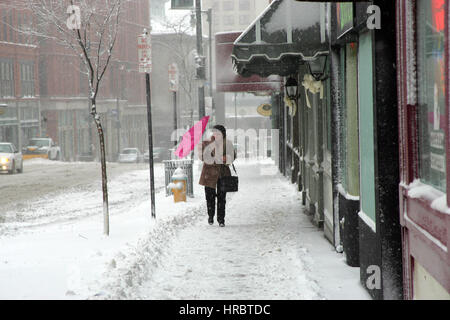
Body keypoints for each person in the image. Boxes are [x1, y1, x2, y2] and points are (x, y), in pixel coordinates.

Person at [198, 125, 236, 227]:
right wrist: (216, 158)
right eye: (214, 132)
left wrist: (226, 158)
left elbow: (232, 157)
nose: (216, 134)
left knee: (221, 198)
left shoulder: (227, 144)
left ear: (223, 134)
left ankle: (221, 220)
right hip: (209, 174)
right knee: (209, 198)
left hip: (222, 174)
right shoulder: (206, 143)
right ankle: (210, 216)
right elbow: (202, 156)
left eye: (218, 133)